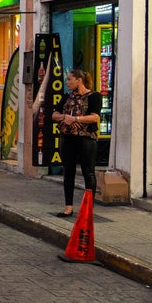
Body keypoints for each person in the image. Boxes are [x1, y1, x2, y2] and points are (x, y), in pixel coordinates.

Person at [52, 69, 102, 216]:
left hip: (86, 139)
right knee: (68, 172)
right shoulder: (66, 97)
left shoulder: (94, 96)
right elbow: (54, 114)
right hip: (68, 139)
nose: (67, 82)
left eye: (69, 79)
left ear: (79, 80)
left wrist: (76, 119)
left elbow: (95, 117)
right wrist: (64, 117)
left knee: (88, 173)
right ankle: (68, 206)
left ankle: (88, 208)